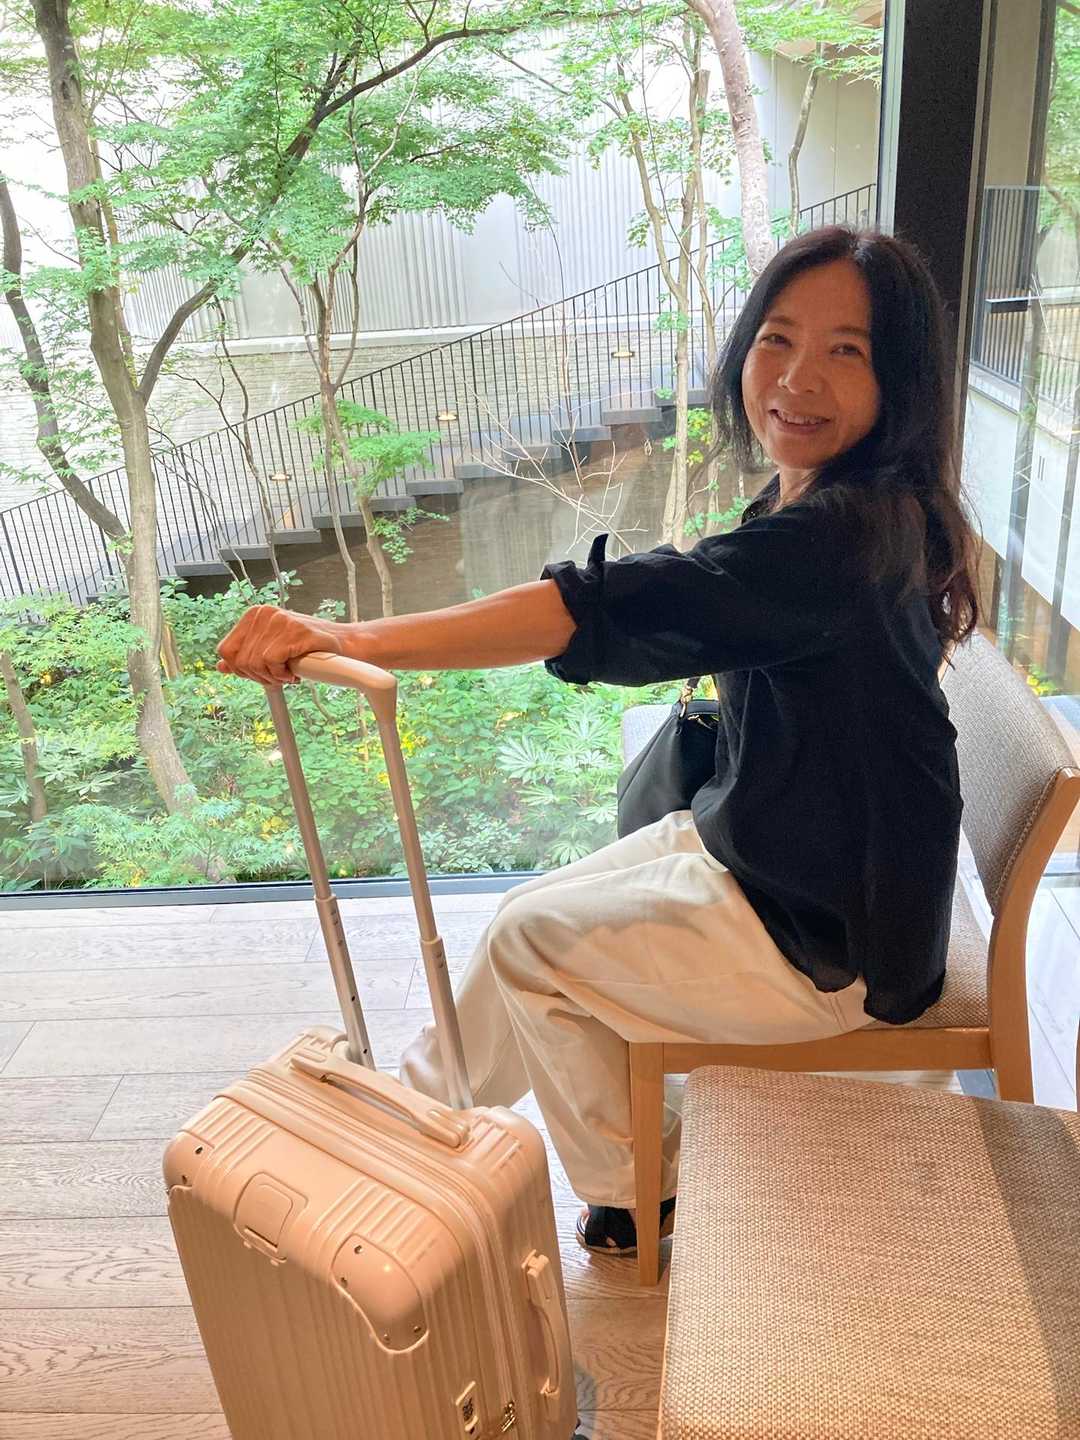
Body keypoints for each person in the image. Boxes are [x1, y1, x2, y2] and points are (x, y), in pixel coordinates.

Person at [217, 224, 979, 1257]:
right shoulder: (828, 498)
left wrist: (350, 637)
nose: (797, 379)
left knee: (534, 947)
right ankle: (415, 1116)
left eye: (847, 350)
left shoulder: (847, 537)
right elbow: (687, 594)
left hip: (833, 929)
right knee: (520, 916)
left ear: (902, 380)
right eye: (778, 338)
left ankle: (643, 1194)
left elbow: (611, 606)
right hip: (777, 842)